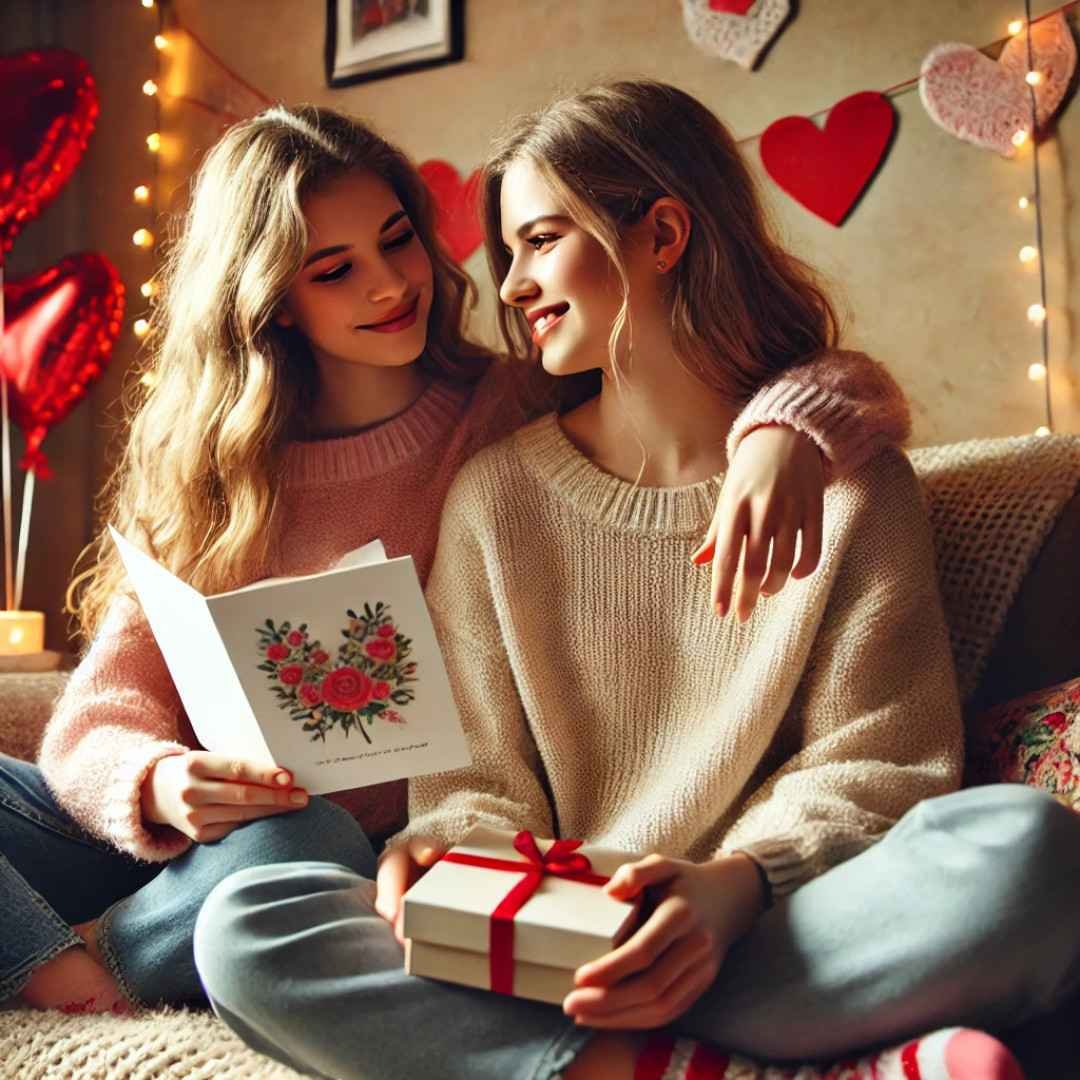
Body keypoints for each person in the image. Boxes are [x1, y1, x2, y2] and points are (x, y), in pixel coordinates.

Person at [193, 84, 1080, 1080]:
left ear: (662, 233)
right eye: (510, 251)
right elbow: (476, 777)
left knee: (1027, 851)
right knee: (249, 926)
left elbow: (880, 763)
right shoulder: (498, 495)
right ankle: (756, 1063)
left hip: (772, 918)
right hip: (554, 938)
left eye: (539, 239)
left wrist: (734, 886)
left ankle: (626, 1055)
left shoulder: (851, 488)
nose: (512, 283)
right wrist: (454, 860)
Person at [0, 104, 905, 1017]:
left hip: (311, 853)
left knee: (294, 843)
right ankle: (47, 950)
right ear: (269, 300)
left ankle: (81, 969)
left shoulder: (508, 407)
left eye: (398, 241)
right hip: (175, 830)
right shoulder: (216, 473)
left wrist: (788, 429)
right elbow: (96, 719)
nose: (391, 284)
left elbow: (785, 372)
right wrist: (157, 781)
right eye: (335, 270)